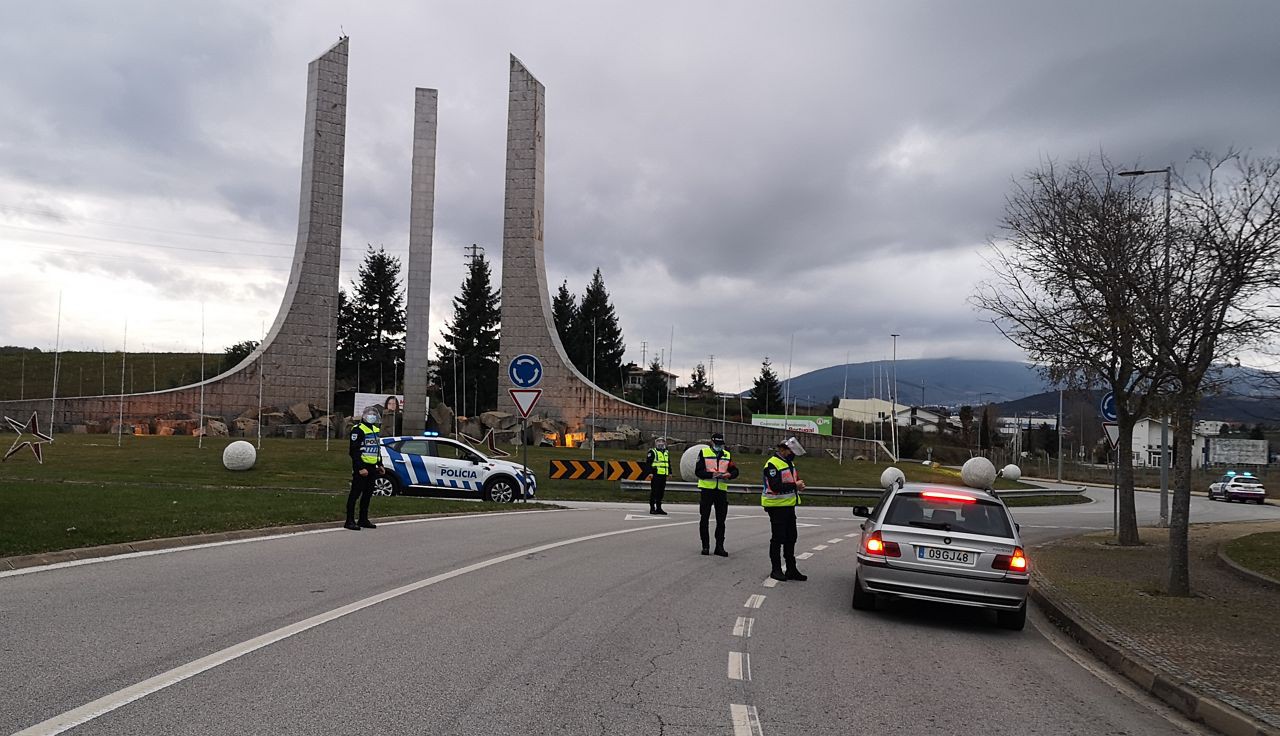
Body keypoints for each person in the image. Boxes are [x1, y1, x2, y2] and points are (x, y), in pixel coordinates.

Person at [762, 436, 807, 581]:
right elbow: (775, 487)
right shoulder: (772, 464)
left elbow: (791, 481)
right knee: (778, 538)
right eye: (790, 451)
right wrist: (795, 485)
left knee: (791, 538)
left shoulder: (789, 463)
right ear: (782, 450)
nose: (792, 454)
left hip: (789, 506)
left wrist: (798, 486)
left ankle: (791, 569)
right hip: (776, 506)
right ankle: (775, 570)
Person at [694, 431, 738, 556]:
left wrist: (730, 475)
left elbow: (735, 470)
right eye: (717, 443)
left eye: (721, 444)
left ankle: (720, 547)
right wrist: (712, 474)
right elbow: (698, 471)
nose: (719, 446)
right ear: (712, 442)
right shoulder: (704, 453)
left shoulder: (727, 455)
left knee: (721, 520)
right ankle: (705, 546)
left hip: (721, 490)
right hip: (707, 489)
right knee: (704, 519)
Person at [346, 406, 386, 530]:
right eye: (370, 414)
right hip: (362, 468)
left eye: (374, 414)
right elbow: (354, 451)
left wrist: (380, 464)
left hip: (373, 467)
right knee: (355, 494)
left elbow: (377, 449)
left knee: (368, 494)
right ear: (364, 416)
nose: (372, 416)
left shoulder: (375, 429)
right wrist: (360, 468)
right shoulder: (358, 430)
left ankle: (363, 519)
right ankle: (349, 521)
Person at [644, 437, 671, 515]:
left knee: (661, 493)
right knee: (654, 492)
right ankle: (652, 508)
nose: (661, 443)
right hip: (655, 475)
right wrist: (650, 473)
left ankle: (659, 508)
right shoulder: (652, 452)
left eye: (662, 442)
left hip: (663, 475)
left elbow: (668, 463)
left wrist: (670, 472)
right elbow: (648, 463)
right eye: (659, 441)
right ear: (655, 443)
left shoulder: (666, 452)